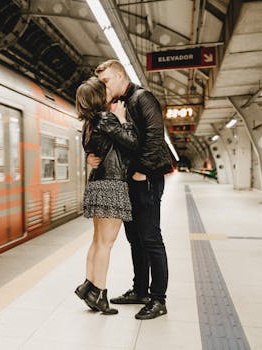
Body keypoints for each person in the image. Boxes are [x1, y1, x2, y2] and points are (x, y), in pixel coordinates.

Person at [91, 59, 173, 320]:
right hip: (131, 181)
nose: (102, 87)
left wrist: (142, 171)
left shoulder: (142, 98)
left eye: (105, 82)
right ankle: (140, 290)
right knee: (135, 239)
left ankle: (158, 299)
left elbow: (154, 137)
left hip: (146, 180)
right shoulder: (122, 104)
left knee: (151, 239)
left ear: (118, 76)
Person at [73, 77, 138, 315]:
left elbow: (93, 152)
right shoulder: (106, 118)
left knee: (97, 241)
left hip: (97, 184)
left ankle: (89, 285)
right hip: (112, 185)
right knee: (106, 244)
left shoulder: (88, 124)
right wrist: (122, 120)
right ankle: (99, 293)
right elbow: (132, 143)